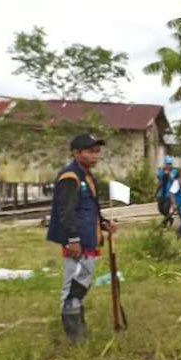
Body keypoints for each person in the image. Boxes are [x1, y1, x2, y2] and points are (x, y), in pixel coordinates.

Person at [46, 134, 115, 344]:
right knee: (73, 287)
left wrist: (103, 223)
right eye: (90, 151)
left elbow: (90, 207)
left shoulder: (87, 176)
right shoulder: (70, 177)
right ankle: (75, 337)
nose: (96, 156)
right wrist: (72, 239)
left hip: (89, 238)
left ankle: (79, 328)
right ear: (76, 153)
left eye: (97, 151)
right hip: (78, 241)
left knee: (82, 282)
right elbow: (66, 211)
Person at [154, 158, 177, 228]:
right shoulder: (161, 171)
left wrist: (169, 174)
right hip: (161, 193)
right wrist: (155, 193)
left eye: (170, 164)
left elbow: (174, 182)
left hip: (169, 194)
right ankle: (170, 218)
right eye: (167, 164)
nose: (168, 166)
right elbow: (160, 182)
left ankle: (164, 223)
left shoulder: (174, 172)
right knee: (160, 209)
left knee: (165, 209)